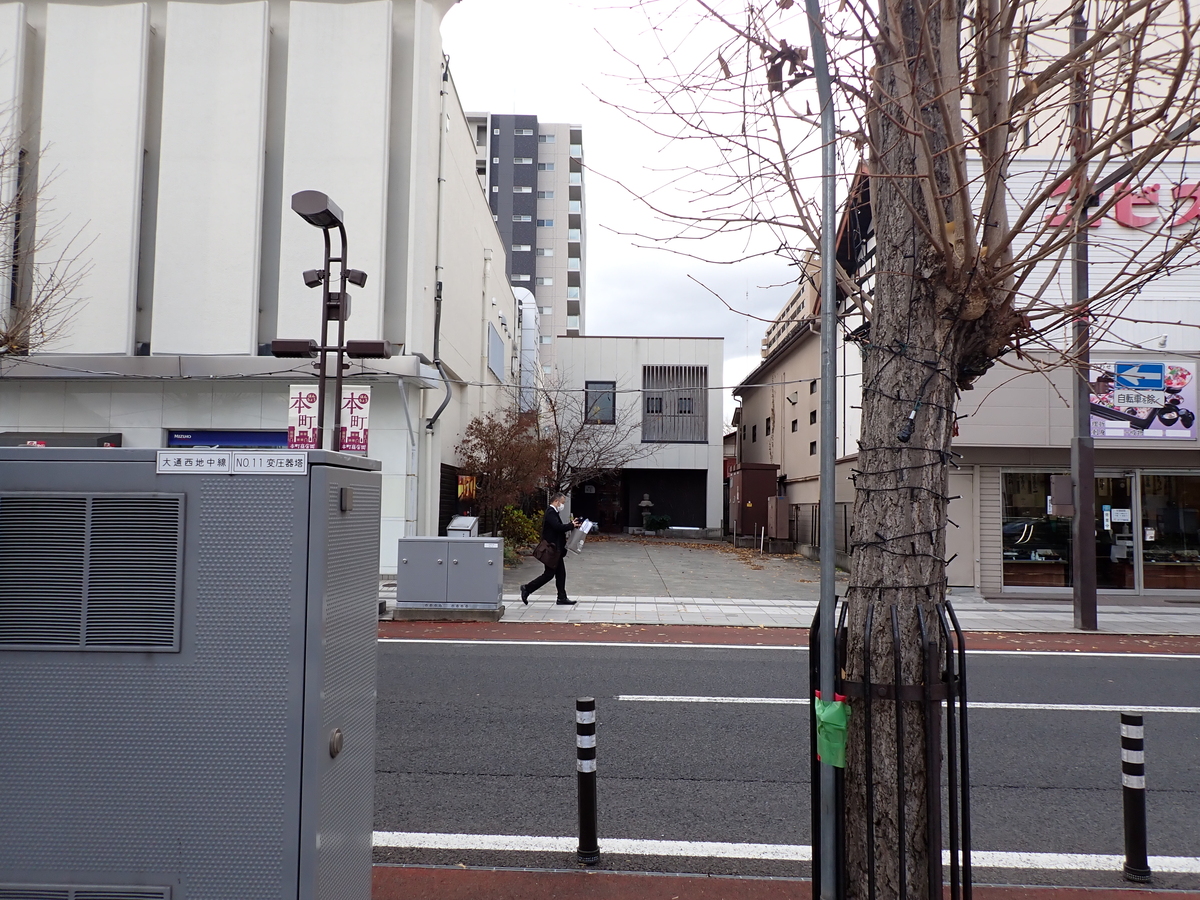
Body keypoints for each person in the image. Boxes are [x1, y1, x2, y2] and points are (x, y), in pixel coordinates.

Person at [520, 493, 579, 606]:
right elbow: (558, 527)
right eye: (562, 503)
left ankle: (562, 597)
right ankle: (527, 588)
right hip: (552, 550)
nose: (563, 505)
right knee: (549, 574)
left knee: (560, 574)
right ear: (556, 501)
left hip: (556, 550)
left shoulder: (553, 512)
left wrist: (572, 525)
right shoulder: (550, 512)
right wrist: (571, 525)